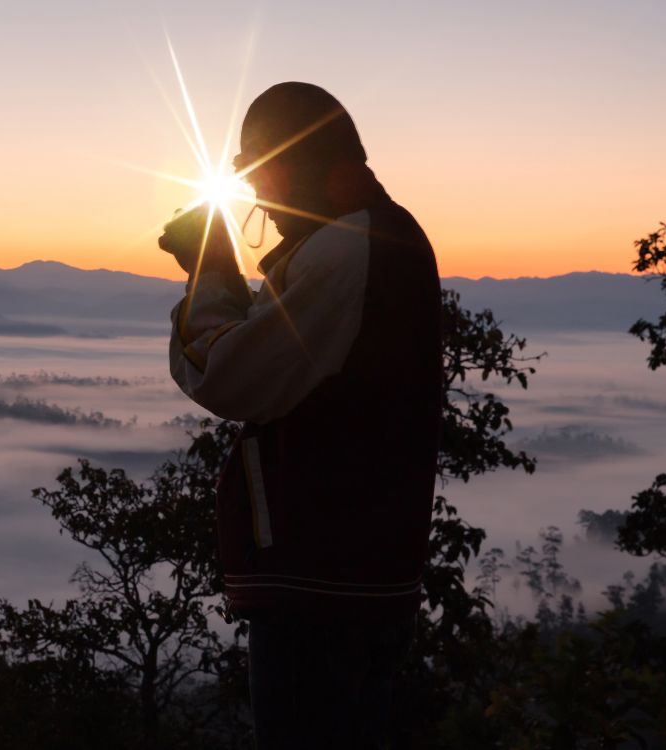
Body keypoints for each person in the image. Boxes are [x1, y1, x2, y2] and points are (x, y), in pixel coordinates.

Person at [158, 82, 443, 748]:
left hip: (324, 591)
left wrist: (209, 265)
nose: (255, 189)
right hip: (353, 583)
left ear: (291, 163)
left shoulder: (349, 251)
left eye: (257, 167)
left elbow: (230, 374)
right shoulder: (365, 240)